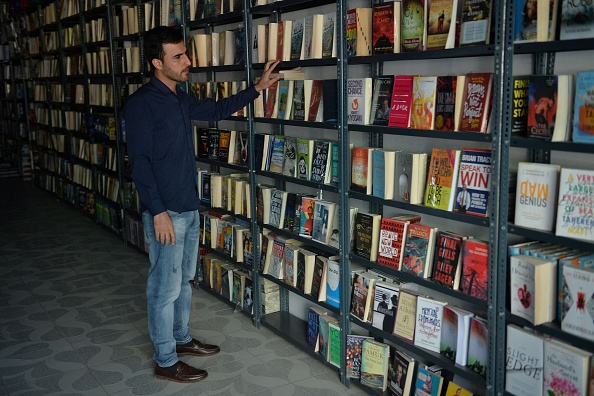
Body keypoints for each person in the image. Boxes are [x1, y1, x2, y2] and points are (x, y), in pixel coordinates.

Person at [124, 26, 280, 383]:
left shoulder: (180, 97)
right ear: (156, 62)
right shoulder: (141, 104)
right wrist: (158, 211)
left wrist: (256, 89)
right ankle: (165, 360)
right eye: (178, 56)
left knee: (184, 282)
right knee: (163, 289)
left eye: (185, 53)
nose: (187, 61)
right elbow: (141, 163)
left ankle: (180, 340)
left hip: (188, 208)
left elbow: (216, 108)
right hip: (166, 213)